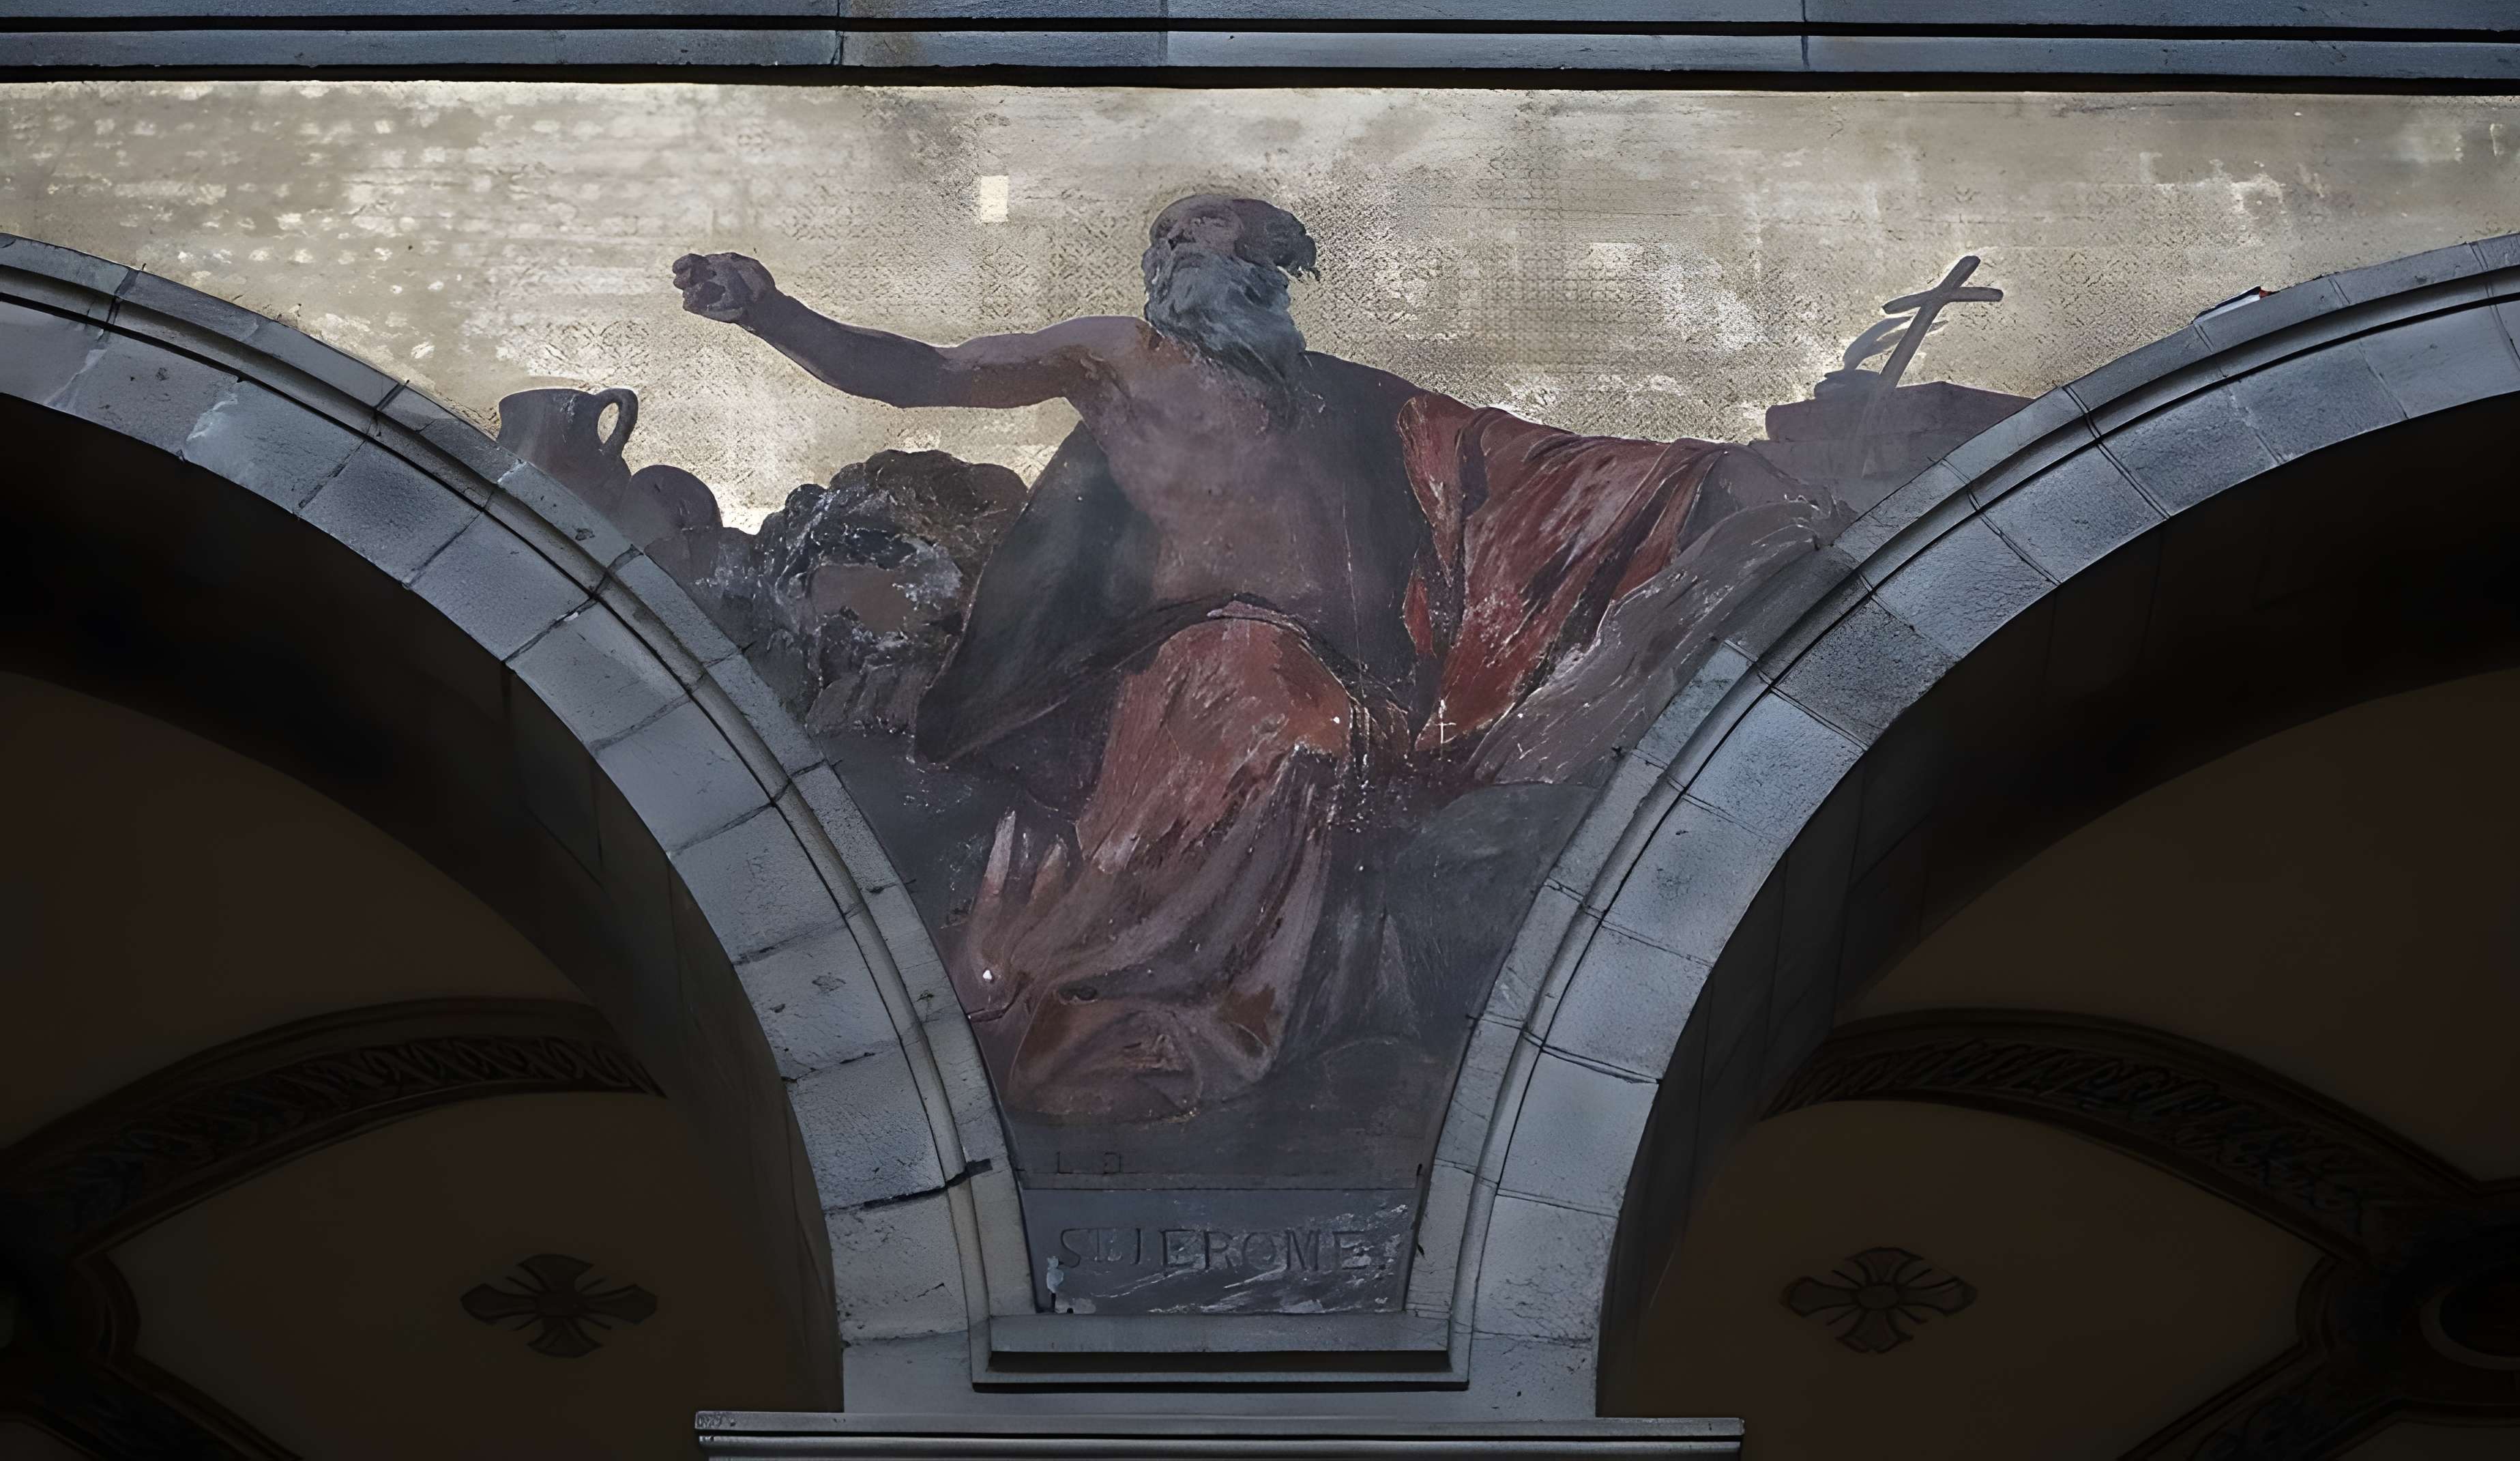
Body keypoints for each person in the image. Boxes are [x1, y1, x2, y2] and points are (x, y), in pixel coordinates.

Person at [673, 194, 1832, 1122]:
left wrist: (1694, 483)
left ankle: (1268, 999)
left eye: (1204, 233)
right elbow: (930, 372)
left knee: (1336, 730)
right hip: (1196, 655)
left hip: (1345, 672)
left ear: (1270, 270)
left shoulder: (1349, 401)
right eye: (1165, 238)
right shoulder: (1117, 356)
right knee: (1297, 727)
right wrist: (774, 314)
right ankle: (1168, 995)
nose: (1174, 249)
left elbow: (1514, 468)